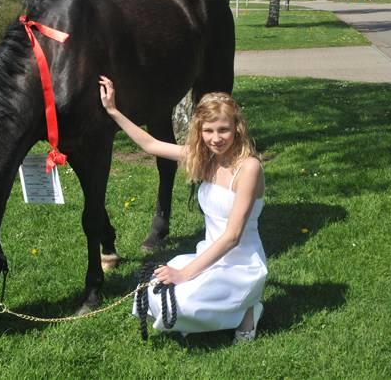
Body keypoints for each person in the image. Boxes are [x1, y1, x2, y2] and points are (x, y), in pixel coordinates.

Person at [98, 76, 267, 344]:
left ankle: (247, 309)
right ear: (199, 130)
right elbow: (150, 145)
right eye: (208, 130)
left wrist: (185, 274)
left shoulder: (249, 168)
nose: (216, 138)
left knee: (182, 302)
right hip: (209, 255)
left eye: (223, 129)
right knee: (154, 292)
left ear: (237, 127)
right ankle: (231, 306)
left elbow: (233, 236)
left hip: (240, 263)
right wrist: (113, 111)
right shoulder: (206, 159)